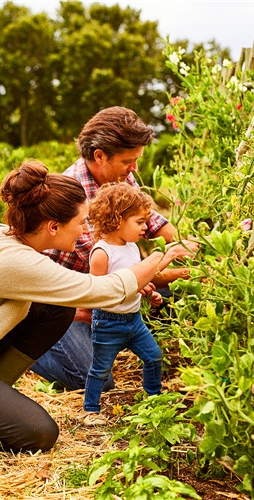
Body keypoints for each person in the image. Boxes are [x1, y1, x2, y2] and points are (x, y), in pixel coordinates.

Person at [0, 161, 198, 452]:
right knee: (39, 433)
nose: (86, 230)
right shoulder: (12, 260)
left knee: (54, 308)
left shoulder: (2, 237)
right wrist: (163, 256)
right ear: (53, 227)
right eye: (81, 222)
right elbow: (104, 291)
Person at [31, 106, 188, 391]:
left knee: (176, 294)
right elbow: (122, 277)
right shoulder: (73, 199)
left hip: (103, 294)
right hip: (65, 306)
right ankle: (30, 348)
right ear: (100, 156)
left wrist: (186, 243)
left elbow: (153, 222)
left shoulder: (118, 178)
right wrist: (180, 267)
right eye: (129, 161)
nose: (135, 169)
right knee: (98, 381)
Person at [82, 183, 189, 426]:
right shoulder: (102, 253)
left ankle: (154, 397)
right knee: (100, 369)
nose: (145, 228)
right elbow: (99, 292)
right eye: (140, 222)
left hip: (134, 320)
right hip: (108, 322)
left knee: (153, 357)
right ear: (118, 220)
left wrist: (146, 290)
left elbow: (136, 278)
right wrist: (164, 259)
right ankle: (90, 409)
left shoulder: (131, 247)